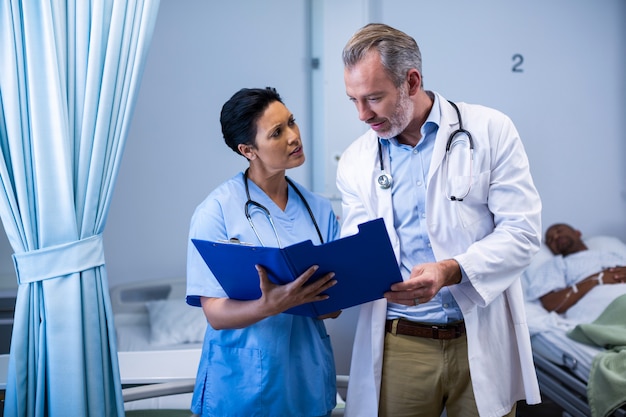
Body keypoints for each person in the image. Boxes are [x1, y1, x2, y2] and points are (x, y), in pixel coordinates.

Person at [336, 23, 543, 417]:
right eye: (354, 100)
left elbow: (522, 232)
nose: (363, 115)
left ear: (411, 81)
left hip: (478, 334)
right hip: (402, 344)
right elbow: (360, 246)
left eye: (374, 98)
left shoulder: (490, 130)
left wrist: (450, 270)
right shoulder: (355, 160)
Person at [186, 87, 341, 417]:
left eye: (291, 122)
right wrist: (269, 305)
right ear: (248, 150)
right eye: (277, 132)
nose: (294, 137)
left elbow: (333, 307)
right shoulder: (216, 212)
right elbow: (214, 313)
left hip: (307, 379)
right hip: (240, 385)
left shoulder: (319, 210)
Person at [523, 223, 626, 314]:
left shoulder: (611, 255)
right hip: (606, 306)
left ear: (577, 233)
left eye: (559, 231)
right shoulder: (556, 264)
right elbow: (551, 303)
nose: (555, 236)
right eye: (550, 240)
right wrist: (596, 279)